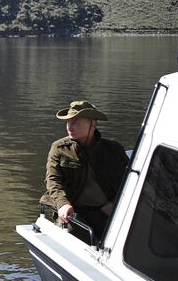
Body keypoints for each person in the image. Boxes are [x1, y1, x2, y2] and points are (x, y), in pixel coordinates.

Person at [41, 100, 128, 243]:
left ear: (93, 125)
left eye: (75, 123)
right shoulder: (59, 148)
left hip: (105, 210)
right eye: (68, 122)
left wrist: (115, 203)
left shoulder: (114, 150)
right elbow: (53, 181)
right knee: (74, 235)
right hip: (73, 211)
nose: (70, 127)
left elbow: (129, 181)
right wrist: (63, 204)